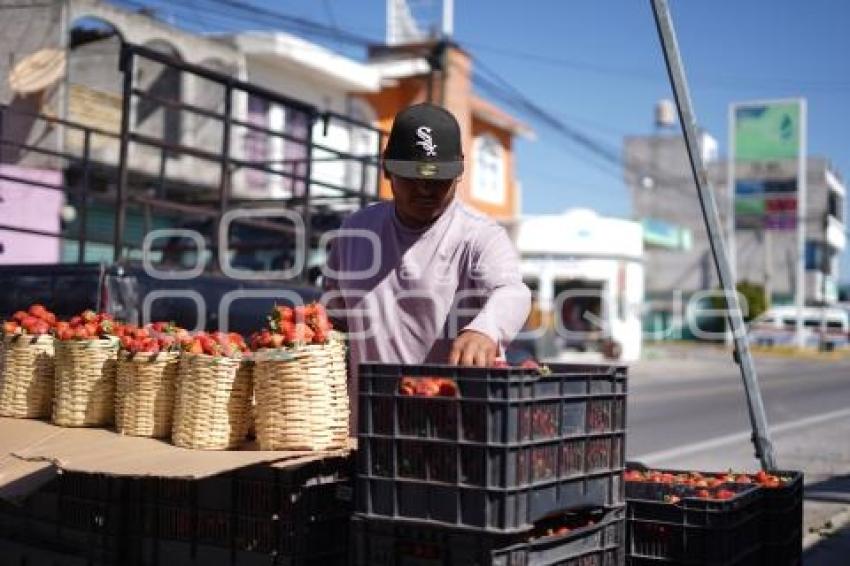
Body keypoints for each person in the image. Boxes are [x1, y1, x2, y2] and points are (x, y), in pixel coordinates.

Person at [323, 103, 531, 425]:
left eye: (438, 180)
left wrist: (486, 330)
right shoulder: (354, 232)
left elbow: (512, 292)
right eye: (412, 177)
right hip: (370, 427)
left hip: (456, 431)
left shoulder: (480, 234)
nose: (424, 189)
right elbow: (333, 323)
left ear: (459, 172)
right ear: (387, 169)